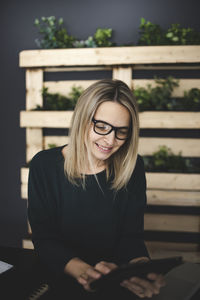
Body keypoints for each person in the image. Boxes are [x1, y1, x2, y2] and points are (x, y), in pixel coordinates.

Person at [28, 79, 165, 299]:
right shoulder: (43, 165)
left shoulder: (133, 166)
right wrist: (85, 272)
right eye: (101, 126)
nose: (110, 140)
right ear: (83, 120)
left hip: (117, 283)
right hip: (57, 282)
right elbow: (45, 239)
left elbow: (131, 237)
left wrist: (142, 268)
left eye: (122, 131)